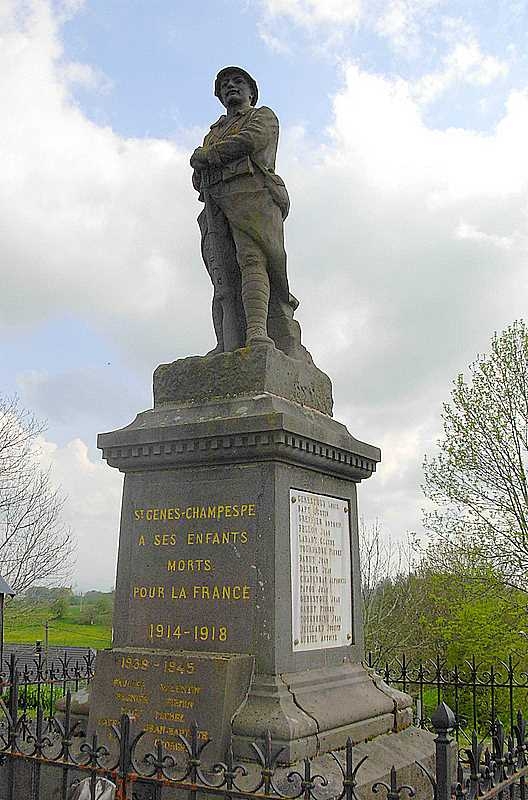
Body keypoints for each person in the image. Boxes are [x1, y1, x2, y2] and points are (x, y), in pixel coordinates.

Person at [191, 67, 309, 360]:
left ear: (251, 92)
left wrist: (207, 157)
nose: (230, 86)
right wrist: (201, 166)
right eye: (224, 84)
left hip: (252, 197)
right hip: (216, 202)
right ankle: (228, 342)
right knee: (223, 275)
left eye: (238, 82)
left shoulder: (262, 117)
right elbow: (198, 177)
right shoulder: (214, 132)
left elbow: (251, 140)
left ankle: (258, 331)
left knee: (253, 259)